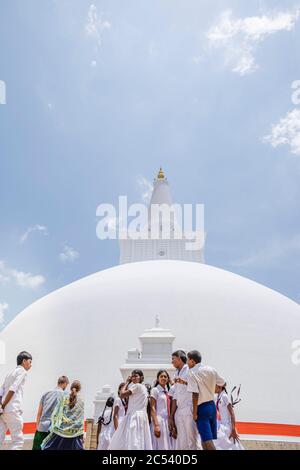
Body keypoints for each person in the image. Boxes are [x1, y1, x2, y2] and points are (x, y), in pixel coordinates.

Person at [187, 350, 225, 450]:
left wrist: (194, 412)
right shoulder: (211, 369)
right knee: (204, 439)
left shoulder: (191, 372)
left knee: (207, 441)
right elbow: (223, 383)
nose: (187, 363)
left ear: (192, 361)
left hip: (201, 408)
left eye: (188, 360)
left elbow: (195, 393)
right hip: (212, 407)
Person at [108, 370, 152, 450]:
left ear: (141, 377)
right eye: (132, 376)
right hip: (141, 416)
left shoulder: (137, 386)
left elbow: (121, 395)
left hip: (134, 416)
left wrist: (127, 382)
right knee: (139, 440)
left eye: (136, 376)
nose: (134, 378)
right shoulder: (144, 388)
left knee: (132, 441)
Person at [0, 351, 32, 450]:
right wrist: (4, 405)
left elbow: (1, 391)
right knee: (17, 441)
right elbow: (13, 389)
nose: (31, 365)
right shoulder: (22, 371)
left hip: (3, 412)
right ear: (24, 361)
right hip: (12, 409)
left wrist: (1, 406)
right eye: (30, 362)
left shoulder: (9, 373)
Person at [169, 350, 200, 450]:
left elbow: (197, 389)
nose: (172, 361)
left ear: (179, 358)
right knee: (182, 442)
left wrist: (185, 382)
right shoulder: (176, 374)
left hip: (189, 408)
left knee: (192, 440)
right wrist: (171, 416)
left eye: (173, 359)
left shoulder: (190, 370)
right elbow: (175, 396)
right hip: (179, 410)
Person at [41, 380, 84, 450]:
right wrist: (81, 434)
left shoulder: (64, 398)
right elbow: (80, 420)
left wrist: (53, 426)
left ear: (71, 388)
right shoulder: (81, 401)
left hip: (60, 432)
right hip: (74, 434)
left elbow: (56, 413)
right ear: (79, 389)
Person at [32, 375, 69, 450]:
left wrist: (38, 426)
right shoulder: (65, 395)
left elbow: (39, 412)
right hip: (56, 429)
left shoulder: (46, 393)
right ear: (64, 383)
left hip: (42, 427)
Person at [215, 385, 244, 451]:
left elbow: (232, 413)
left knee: (216, 441)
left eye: (215, 386)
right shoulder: (218, 397)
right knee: (233, 446)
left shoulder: (225, 396)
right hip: (222, 425)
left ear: (220, 387)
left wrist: (233, 429)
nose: (213, 388)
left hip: (228, 426)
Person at [150, 370, 173, 450]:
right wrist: (156, 425)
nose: (163, 378)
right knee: (160, 445)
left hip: (167, 422)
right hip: (159, 420)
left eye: (165, 376)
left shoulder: (168, 392)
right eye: (161, 376)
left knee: (168, 445)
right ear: (157, 379)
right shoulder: (155, 390)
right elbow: (152, 407)